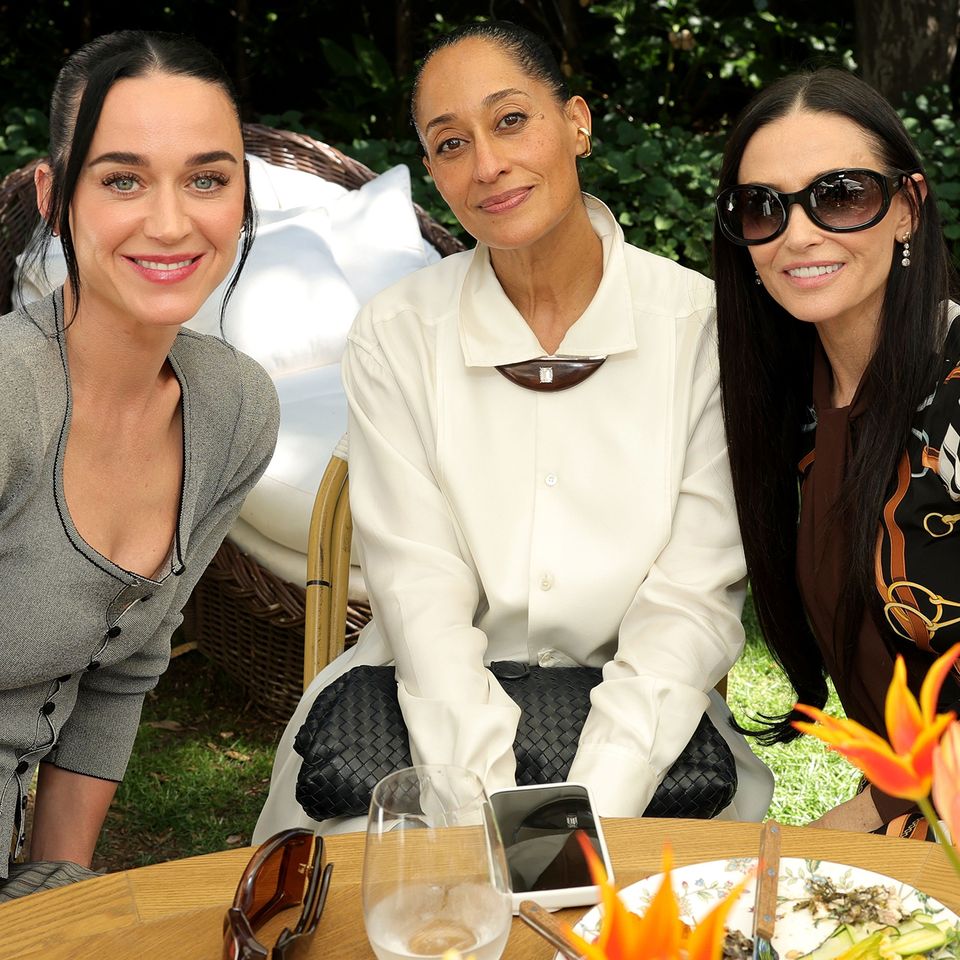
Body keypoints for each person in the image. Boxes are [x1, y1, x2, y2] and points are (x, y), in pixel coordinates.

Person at [256, 20, 772, 840]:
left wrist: (578, 819)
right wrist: (476, 812)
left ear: (577, 122)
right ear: (431, 171)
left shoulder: (701, 328)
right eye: (451, 142)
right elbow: (420, 592)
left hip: (648, 720)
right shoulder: (397, 332)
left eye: (509, 120)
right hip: (417, 711)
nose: (487, 165)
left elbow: (692, 603)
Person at [0, 31, 280, 899]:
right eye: (122, 178)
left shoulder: (234, 409)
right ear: (55, 197)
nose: (171, 221)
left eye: (206, 178)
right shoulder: (11, 398)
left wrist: (57, 889)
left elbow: (123, 674)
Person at [712, 68, 960, 834]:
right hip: (913, 827)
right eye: (763, 207)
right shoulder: (798, 410)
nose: (799, 233)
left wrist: (869, 817)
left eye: (842, 194)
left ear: (907, 209)